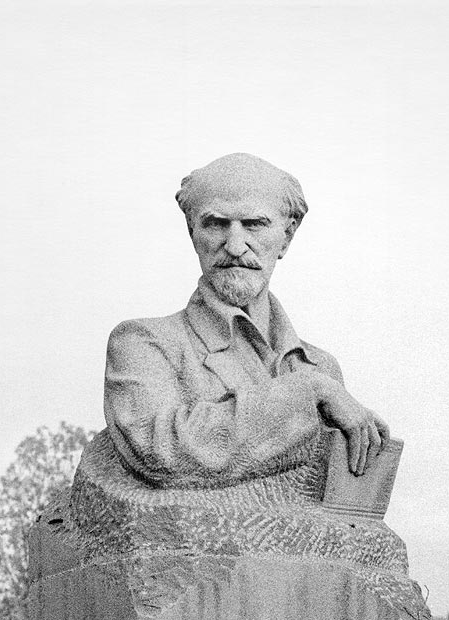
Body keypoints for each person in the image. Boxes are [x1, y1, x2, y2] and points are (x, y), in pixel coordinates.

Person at [104, 152, 389, 489]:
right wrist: (308, 391)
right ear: (192, 230)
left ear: (287, 235)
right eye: (216, 223)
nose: (236, 245)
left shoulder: (321, 367)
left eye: (254, 224)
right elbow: (159, 448)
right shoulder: (143, 344)